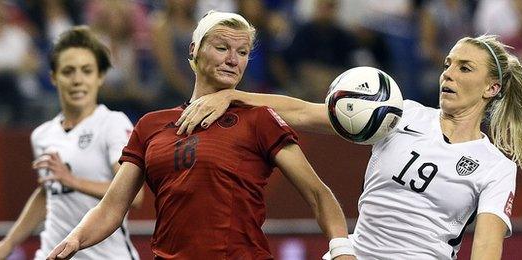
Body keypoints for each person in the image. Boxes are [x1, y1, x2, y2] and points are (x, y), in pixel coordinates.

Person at [174, 35, 522, 259]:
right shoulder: (400, 114)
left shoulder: (495, 166)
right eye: (447, 64)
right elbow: (303, 112)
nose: (448, 73)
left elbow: (486, 247)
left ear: (491, 88)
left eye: (464, 68)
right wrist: (234, 96)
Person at [46, 11, 356, 260]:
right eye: (222, 48)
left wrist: (341, 249)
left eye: (243, 52)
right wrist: (74, 240)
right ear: (194, 50)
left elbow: (318, 193)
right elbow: (112, 208)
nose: (233, 60)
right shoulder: (151, 125)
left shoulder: (259, 119)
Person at [0, 26, 143, 260]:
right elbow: (49, 191)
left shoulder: (113, 124)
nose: (77, 80)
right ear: (53, 77)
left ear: (99, 77)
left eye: (86, 71)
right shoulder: (42, 134)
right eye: (68, 71)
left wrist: (72, 180)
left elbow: (134, 196)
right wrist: (9, 242)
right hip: (52, 253)